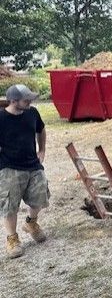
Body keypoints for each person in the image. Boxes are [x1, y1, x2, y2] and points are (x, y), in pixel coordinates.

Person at [0, 84, 49, 259]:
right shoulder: (1, 118)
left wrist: (42, 150)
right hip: (9, 167)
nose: (30, 101)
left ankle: (31, 223)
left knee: (40, 195)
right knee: (10, 204)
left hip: (33, 164)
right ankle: (12, 239)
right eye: (26, 99)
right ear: (13, 101)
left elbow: (41, 129)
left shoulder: (32, 112)